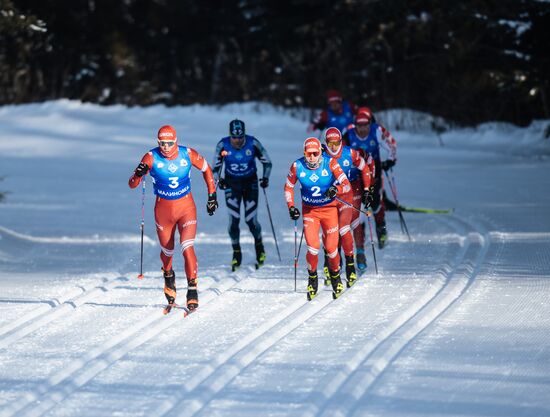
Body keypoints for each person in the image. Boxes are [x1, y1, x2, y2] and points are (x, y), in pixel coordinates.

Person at [128, 125, 218, 312]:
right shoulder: (151, 157)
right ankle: (168, 275)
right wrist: (138, 173)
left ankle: (192, 289)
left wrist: (212, 196)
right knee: (167, 252)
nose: (166, 147)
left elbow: (207, 169)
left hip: (186, 208)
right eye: (162, 143)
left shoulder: (187, 154)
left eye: (169, 143)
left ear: (175, 141)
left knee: (187, 246)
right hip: (163, 211)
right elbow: (132, 185)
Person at [284, 137, 352, 301]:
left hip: (329, 211)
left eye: (315, 154)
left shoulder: (330, 163)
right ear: (304, 153)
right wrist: (291, 207)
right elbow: (288, 186)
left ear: (320, 152)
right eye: (309, 154)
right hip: (310, 212)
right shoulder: (297, 166)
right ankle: (312, 279)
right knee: (313, 247)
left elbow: (346, 184)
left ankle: (335, 277)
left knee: (331, 249)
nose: (312, 158)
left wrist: (336, 189)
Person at [212, 119, 272, 271]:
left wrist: (265, 178)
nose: (237, 141)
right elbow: (215, 168)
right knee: (234, 221)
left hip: (250, 184)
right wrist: (220, 181)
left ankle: (260, 248)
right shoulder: (222, 145)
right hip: (232, 185)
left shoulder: (252, 143)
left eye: (240, 137)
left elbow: (267, 162)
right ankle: (236, 254)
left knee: (251, 221)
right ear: (230, 135)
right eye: (234, 137)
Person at [321, 127, 375, 285]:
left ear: (341, 142)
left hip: (353, 188)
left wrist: (367, 190)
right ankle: (331, 260)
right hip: (332, 192)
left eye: (336, 143)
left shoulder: (351, 153)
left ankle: (359, 252)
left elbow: (365, 168)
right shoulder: (321, 156)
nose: (333, 147)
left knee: (353, 222)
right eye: (329, 143)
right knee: (330, 226)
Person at [343, 107, 397, 251]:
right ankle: (361, 235)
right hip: (355, 174)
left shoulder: (377, 131)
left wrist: (390, 160)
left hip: (374, 172)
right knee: (357, 204)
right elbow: (339, 151)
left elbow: (392, 145)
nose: (362, 129)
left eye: (365, 126)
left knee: (375, 203)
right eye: (359, 126)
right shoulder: (348, 133)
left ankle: (381, 230)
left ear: (369, 124)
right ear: (355, 125)